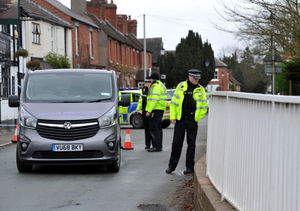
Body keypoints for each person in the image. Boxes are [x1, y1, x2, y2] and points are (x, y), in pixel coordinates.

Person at [166, 69, 208, 174]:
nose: (196, 80)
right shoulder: (181, 86)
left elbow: (204, 107)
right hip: (180, 120)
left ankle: (190, 167)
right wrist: (173, 117)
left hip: (192, 121)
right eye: (194, 78)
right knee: (176, 144)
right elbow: (173, 103)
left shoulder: (200, 89)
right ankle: (171, 166)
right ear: (189, 76)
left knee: (191, 145)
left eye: (198, 78)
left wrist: (197, 118)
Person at [145, 72, 167, 152]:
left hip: (156, 109)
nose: (150, 80)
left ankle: (156, 146)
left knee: (154, 128)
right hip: (158, 109)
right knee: (157, 128)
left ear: (153, 79)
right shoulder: (160, 85)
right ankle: (158, 146)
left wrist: (149, 111)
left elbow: (154, 100)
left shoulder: (156, 87)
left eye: (151, 79)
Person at [135, 77, 152, 150]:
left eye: (147, 82)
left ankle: (154, 144)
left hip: (150, 111)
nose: (146, 84)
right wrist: (138, 109)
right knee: (146, 129)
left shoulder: (153, 89)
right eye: (145, 83)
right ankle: (147, 144)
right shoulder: (143, 89)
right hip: (144, 111)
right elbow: (140, 100)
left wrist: (150, 110)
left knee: (152, 128)